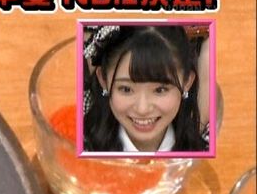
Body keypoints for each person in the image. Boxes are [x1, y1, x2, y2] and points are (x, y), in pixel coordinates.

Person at [82, 25, 209, 154]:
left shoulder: (206, 148)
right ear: (103, 80)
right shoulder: (79, 143)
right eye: (126, 89)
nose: (142, 109)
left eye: (160, 90)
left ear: (187, 82)